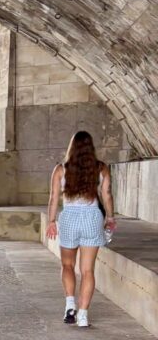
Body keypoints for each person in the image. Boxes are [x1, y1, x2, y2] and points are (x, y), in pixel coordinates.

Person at [46, 131, 116, 328]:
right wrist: (110, 217)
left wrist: (51, 221)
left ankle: (70, 305)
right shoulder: (101, 168)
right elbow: (107, 194)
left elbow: (53, 198)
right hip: (92, 217)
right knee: (87, 270)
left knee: (67, 265)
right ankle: (83, 315)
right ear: (91, 147)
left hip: (69, 218)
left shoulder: (61, 169)